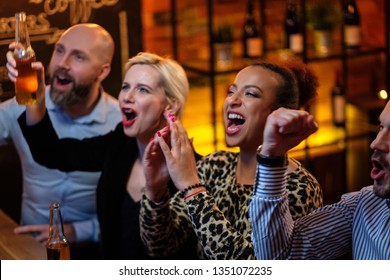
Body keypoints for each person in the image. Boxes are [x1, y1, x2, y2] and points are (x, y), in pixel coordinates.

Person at [17, 52, 200, 259]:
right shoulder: (120, 143)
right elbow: (52, 154)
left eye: (142, 89)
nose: (127, 97)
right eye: (125, 86)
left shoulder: (195, 172)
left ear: (170, 105)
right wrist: (36, 95)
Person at [140, 60, 324, 260]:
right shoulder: (215, 165)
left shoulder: (301, 187)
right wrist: (155, 191)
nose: (232, 101)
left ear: (279, 115)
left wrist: (190, 185)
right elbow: (160, 247)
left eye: (250, 93)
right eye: (231, 91)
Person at [2, 23, 121, 259]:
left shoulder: (121, 124)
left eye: (78, 57)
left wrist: (80, 231)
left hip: (97, 252)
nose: (62, 63)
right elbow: (49, 152)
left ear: (103, 71)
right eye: (59, 50)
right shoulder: (21, 106)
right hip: (28, 247)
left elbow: (133, 210)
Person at [249, 102, 390, 260]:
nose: (376, 143)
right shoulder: (363, 206)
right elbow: (279, 258)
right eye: (381, 127)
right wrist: (272, 155)